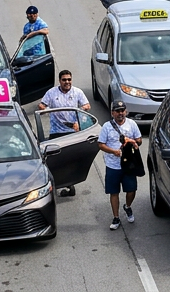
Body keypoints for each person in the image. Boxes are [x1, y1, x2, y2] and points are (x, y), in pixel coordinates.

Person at [39, 70, 91, 195]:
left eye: (69, 79)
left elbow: (87, 106)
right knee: (53, 160)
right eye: (64, 80)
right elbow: (41, 105)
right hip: (56, 132)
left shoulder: (77, 92)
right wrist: (49, 110)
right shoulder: (51, 93)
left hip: (73, 132)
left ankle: (70, 184)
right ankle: (53, 185)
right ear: (59, 81)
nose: (67, 82)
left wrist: (79, 114)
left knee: (71, 160)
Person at [98, 100, 142, 230]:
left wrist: (132, 141)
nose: (120, 113)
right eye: (117, 111)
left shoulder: (132, 124)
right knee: (114, 192)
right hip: (113, 165)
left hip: (129, 165)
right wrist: (113, 151)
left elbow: (139, 140)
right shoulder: (106, 126)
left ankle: (127, 207)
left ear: (126, 112)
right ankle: (116, 217)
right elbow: (101, 144)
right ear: (112, 113)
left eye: (122, 111)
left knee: (131, 190)